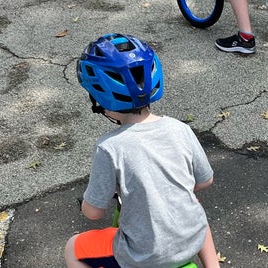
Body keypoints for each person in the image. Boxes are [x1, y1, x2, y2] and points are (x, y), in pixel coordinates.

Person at [64, 33, 220, 268]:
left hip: (145, 256)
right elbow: (205, 180)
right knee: (192, 203)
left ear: (100, 98)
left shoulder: (109, 148)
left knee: (73, 248)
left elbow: (94, 213)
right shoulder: (180, 129)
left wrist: (87, 203)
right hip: (191, 242)